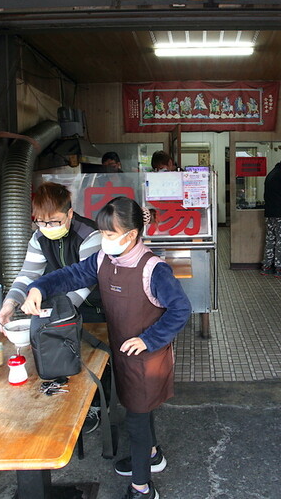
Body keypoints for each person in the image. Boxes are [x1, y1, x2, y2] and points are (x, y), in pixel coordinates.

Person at [23, 196, 191, 499]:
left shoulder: (154, 269)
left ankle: (142, 488)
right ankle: (152, 455)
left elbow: (180, 310)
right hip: (123, 353)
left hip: (147, 361)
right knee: (138, 410)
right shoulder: (104, 259)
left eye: (110, 235)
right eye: (102, 233)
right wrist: (39, 287)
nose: (104, 240)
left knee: (137, 420)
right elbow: (71, 275)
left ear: (131, 235)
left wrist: (149, 339)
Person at [0, 182, 104, 431]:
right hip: (63, 306)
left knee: (97, 359)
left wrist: (57, 316)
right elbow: (27, 274)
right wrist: (9, 303)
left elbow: (86, 282)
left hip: (97, 308)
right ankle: (70, 406)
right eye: (42, 223)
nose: (48, 228)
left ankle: (98, 405)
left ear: (69, 213)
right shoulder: (38, 238)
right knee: (67, 355)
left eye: (55, 222)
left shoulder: (89, 234)